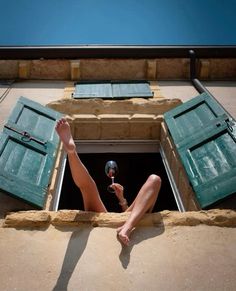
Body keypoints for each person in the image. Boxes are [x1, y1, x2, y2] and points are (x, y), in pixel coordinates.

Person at [55, 118, 161, 245]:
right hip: (108, 219)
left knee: (155, 179)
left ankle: (127, 227)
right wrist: (122, 201)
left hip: (129, 219)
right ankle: (72, 152)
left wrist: (122, 200)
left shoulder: (137, 210)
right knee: (89, 187)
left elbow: (125, 215)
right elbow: (122, 216)